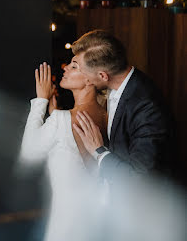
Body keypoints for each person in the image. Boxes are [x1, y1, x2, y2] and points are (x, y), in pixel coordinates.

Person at [19, 61, 108, 241]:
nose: (65, 67)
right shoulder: (109, 116)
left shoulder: (61, 121)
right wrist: (55, 115)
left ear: (90, 79)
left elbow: (28, 154)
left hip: (65, 228)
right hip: (99, 225)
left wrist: (41, 100)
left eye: (74, 66)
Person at [71, 30, 173, 181]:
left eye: (84, 73)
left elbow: (139, 176)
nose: (85, 79)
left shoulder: (147, 106)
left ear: (103, 76)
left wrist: (98, 151)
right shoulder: (116, 87)